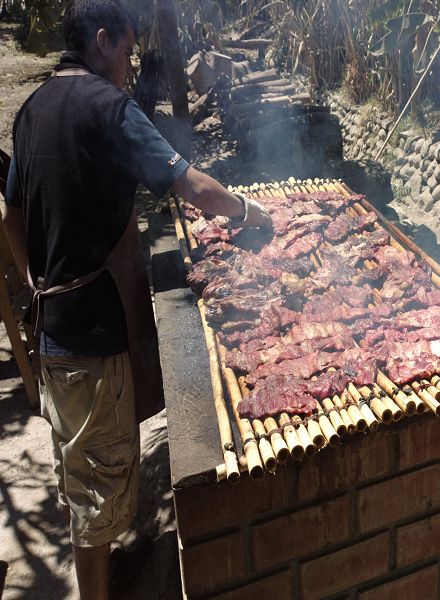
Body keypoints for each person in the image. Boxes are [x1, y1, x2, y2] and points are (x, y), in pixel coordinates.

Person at [0, 1, 271, 598]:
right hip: (92, 338)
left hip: (53, 330)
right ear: (102, 41)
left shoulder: (31, 110)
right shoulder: (109, 108)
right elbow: (191, 184)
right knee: (94, 492)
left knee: (83, 465)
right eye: (126, 51)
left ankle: (108, 566)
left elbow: (12, 214)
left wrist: (37, 280)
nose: (129, 65)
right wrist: (250, 211)